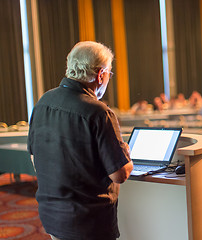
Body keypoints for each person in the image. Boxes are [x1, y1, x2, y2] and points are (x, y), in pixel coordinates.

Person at [27, 42, 133, 240]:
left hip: (52, 217)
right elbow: (120, 174)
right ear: (101, 74)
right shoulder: (99, 112)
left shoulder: (42, 103)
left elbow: (35, 159)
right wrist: (124, 150)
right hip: (87, 222)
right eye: (109, 74)